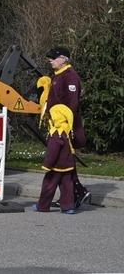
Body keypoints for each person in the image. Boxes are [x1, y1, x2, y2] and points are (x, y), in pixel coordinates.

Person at [44, 46, 91, 208]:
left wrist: (64, 127)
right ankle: (76, 193)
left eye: (54, 57)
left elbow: (71, 104)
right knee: (62, 161)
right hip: (56, 126)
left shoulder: (70, 77)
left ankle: (75, 194)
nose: (50, 60)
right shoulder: (58, 75)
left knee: (61, 162)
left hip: (65, 128)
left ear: (64, 59)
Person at [33, 104, 77, 214]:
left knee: (48, 185)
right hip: (68, 165)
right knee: (67, 186)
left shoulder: (56, 133)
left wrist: (47, 164)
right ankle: (68, 207)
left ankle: (43, 205)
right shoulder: (67, 131)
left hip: (56, 166)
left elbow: (52, 151)